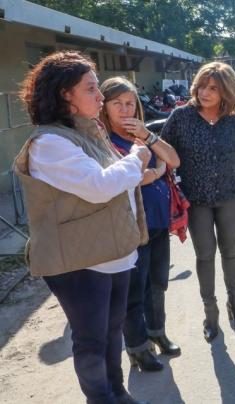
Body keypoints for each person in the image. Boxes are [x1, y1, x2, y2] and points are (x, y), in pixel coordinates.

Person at [14, 51, 150, 404]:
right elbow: (100, 185)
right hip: (80, 261)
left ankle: (116, 392)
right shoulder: (49, 144)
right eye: (91, 88)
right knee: (91, 340)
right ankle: (101, 399)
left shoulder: (89, 132)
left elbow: (114, 183)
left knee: (111, 333)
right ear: (65, 95)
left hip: (112, 252)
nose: (100, 97)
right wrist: (137, 158)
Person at [161, 62, 235, 342]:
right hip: (196, 199)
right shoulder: (180, 117)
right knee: (205, 255)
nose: (205, 92)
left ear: (227, 91)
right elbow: (164, 152)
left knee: (230, 252)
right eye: (201, 85)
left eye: (213, 87)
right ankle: (210, 313)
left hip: (230, 196)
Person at [99, 77, 182, 371]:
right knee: (135, 291)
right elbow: (135, 178)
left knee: (157, 284)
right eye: (117, 104)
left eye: (130, 103)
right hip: (132, 228)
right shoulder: (104, 142)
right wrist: (158, 171)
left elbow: (173, 159)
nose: (125, 110)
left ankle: (157, 333)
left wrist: (148, 137)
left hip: (159, 222)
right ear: (104, 108)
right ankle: (137, 348)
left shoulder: (142, 138)